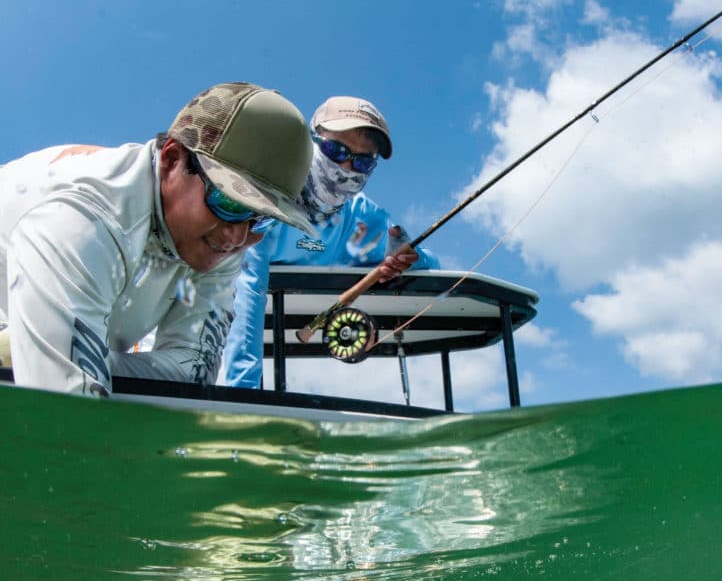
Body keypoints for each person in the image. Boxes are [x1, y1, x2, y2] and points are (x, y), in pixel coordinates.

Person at [0, 82, 315, 396]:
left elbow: (192, 372)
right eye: (230, 201)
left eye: (262, 218)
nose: (237, 236)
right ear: (172, 159)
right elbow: (66, 418)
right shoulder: (80, 221)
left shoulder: (224, 238)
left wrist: (82, 358)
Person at [221, 96, 440, 388]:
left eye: (362, 161)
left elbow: (432, 266)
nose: (347, 166)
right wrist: (241, 399)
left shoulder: (364, 219)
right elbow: (247, 291)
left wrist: (410, 258)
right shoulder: (264, 199)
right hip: (204, 331)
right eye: (336, 150)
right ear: (308, 142)